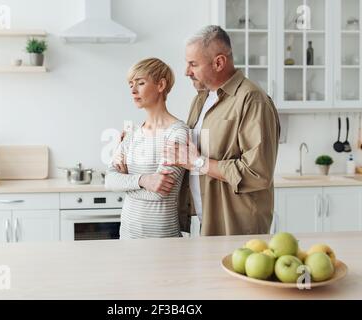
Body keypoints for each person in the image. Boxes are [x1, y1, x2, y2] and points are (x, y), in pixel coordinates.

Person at [164, 25, 281, 236]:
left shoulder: (252, 100)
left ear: (218, 62)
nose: (186, 72)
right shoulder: (202, 99)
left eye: (193, 64)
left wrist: (198, 162)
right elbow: (191, 153)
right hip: (207, 220)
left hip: (238, 226)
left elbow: (258, 173)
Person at [105, 58, 189, 239]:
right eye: (130, 85)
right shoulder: (133, 133)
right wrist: (144, 180)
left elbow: (159, 193)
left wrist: (125, 181)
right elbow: (109, 180)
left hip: (162, 237)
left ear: (161, 85)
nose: (133, 90)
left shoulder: (178, 132)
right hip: (127, 234)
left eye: (140, 83)